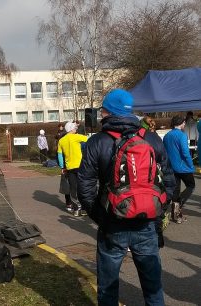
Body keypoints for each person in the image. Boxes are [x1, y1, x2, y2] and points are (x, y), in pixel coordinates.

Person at [77, 89, 175, 306]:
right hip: (147, 223)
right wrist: (157, 213)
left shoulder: (97, 141)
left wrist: (100, 217)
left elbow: (84, 186)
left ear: (108, 112)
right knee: (153, 287)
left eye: (103, 110)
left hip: (113, 222)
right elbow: (168, 181)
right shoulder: (151, 138)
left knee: (108, 287)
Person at [163, 115, 195, 224]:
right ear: (180, 123)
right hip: (183, 167)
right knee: (191, 185)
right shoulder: (182, 135)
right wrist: (191, 165)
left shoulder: (167, 135)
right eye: (184, 123)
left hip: (171, 166)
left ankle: (177, 216)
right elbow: (186, 153)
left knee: (175, 190)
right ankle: (180, 202)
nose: (185, 124)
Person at [58, 121, 88, 216]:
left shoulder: (61, 140)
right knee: (83, 186)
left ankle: (76, 209)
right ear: (71, 129)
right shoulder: (76, 137)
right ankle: (83, 208)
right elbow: (88, 139)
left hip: (70, 167)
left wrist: (63, 167)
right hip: (80, 166)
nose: (76, 129)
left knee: (73, 188)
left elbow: (59, 155)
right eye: (75, 128)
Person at [55, 123, 72, 211]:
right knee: (68, 184)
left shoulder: (74, 137)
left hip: (72, 164)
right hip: (67, 164)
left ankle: (71, 202)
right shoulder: (62, 139)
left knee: (71, 184)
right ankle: (69, 202)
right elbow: (60, 154)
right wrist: (62, 166)